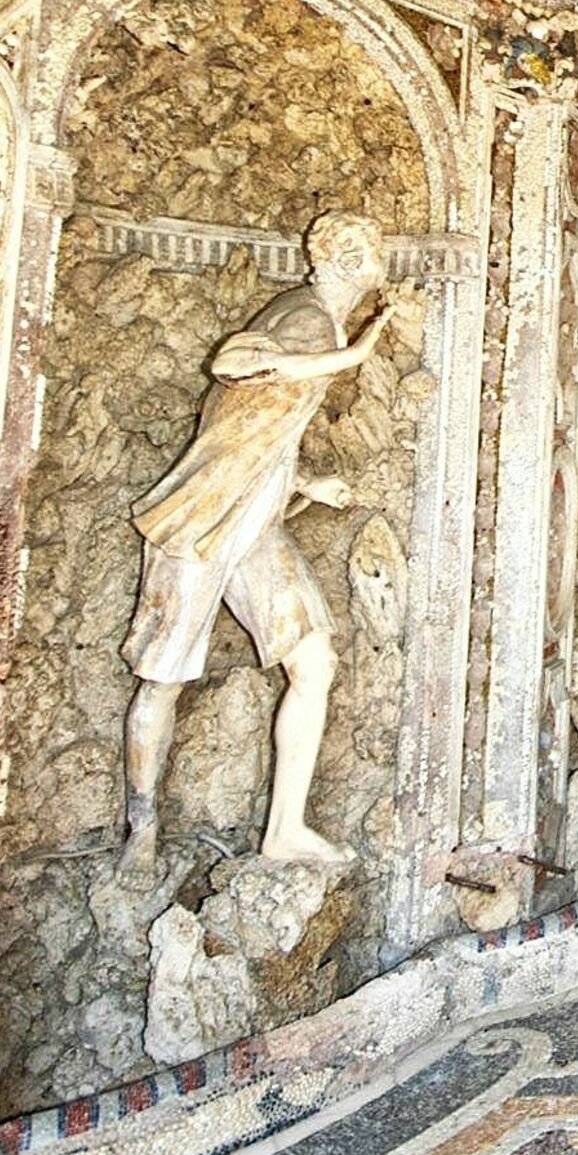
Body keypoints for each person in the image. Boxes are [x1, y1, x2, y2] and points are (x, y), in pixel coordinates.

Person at [121, 211, 398, 881]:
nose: (378, 263)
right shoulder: (306, 317)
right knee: (163, 679)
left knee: (315, 662)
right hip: (204, 520)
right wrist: (351, 356)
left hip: (257, 524)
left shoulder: (322, 323)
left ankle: (284, 829)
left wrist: (307, 483)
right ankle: (142, 825)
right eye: (368, 252)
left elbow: (259, 425)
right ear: (338, 260)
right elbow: (233, 365)